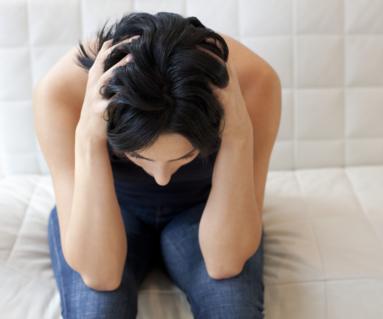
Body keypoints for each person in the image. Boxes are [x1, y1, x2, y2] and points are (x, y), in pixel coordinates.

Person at [33, 11, 281, 319]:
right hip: (108, 206)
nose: (161, 178)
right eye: (138, 157)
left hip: (203, 207)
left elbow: (224, 262)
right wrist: (88, 136)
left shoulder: (256, 82)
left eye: (186, 156)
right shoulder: (61, 91)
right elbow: (101, 275)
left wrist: (238, 134)